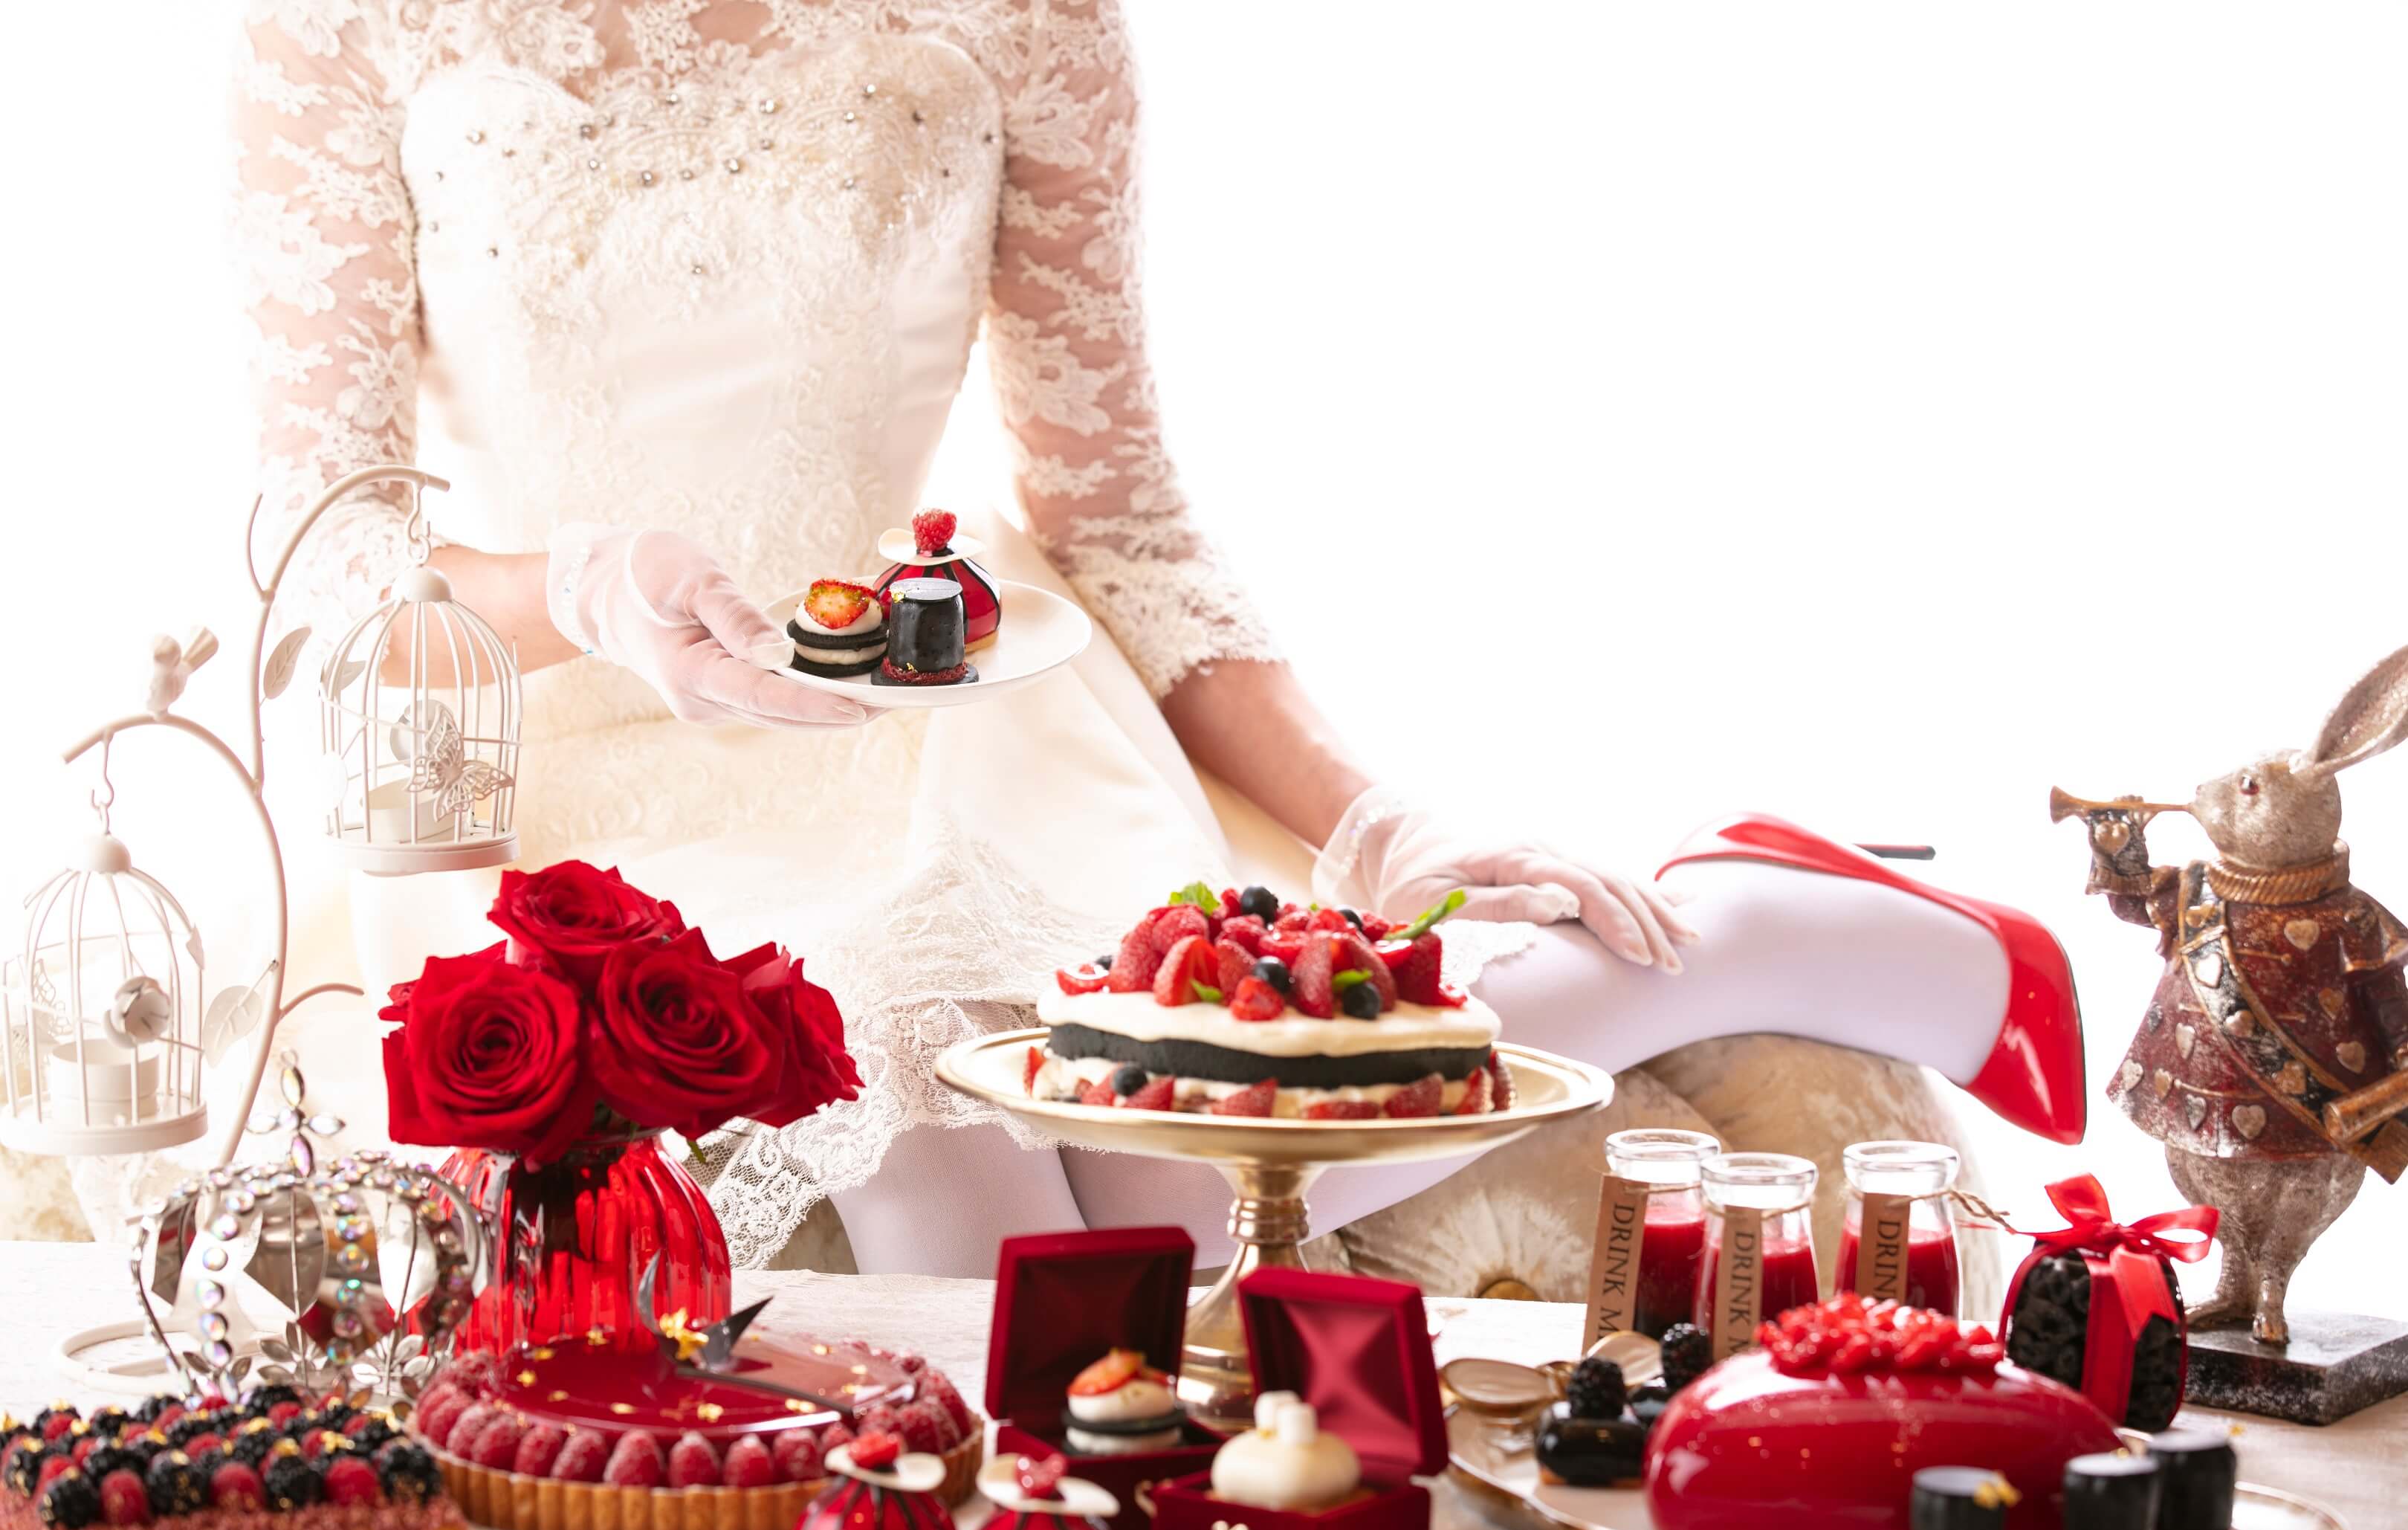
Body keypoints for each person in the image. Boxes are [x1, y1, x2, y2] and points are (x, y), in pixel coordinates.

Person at [232, 0, 2028, 1279]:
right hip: (538, 756)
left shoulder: (1029, 14)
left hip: (943, 715)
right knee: (1005, 1204)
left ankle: (1757, 926)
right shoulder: (340, 23)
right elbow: (321, 555)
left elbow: (1122, 511)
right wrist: (582, 587)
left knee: (1153, 1192)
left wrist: (1376, 818)